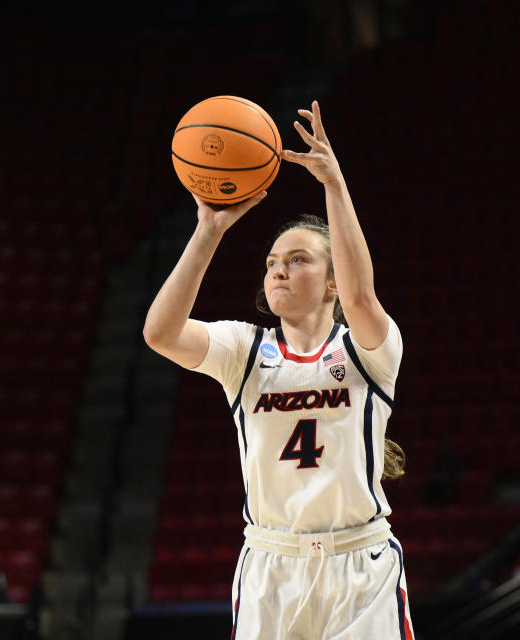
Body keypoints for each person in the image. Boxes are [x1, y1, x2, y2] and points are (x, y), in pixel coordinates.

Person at [143, 100, 415, 639]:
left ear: (331, 283)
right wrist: (208, 230)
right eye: (271, 262)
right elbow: (160, 333)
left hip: (360, 563)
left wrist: (333, 185)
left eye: (298, 260)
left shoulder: (368, 349)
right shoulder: (244, 351)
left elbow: (362, 297)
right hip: (271, 563)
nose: (279, 270)